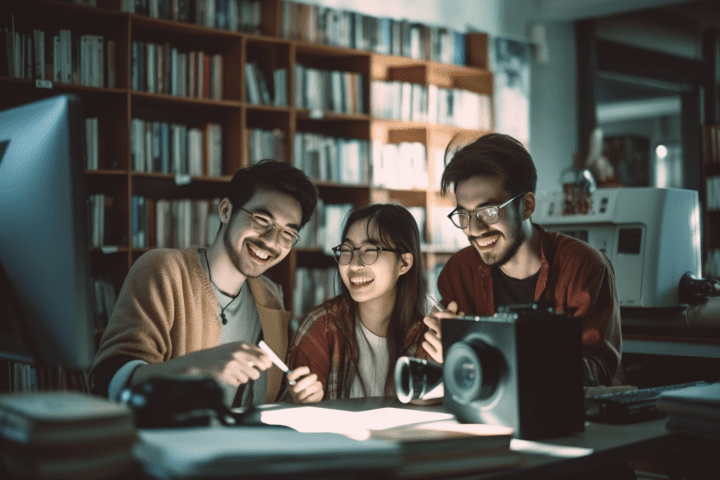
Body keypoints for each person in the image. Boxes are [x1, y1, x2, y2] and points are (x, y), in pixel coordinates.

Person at [89, 160, 321, 407]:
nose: (272, 242)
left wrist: (295, 396)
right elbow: (108, 381)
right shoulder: (163, 269)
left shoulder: (270, 297)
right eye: (262, 220)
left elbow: (262, 401)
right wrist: (197, 366)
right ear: (226, 211)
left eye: (287, 234)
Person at [422, 133, 622, 387]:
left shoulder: (584, 267)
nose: (474, 229)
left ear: (527, 205)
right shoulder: (460, 271)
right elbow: (434, 372)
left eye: (488, 212)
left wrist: (483, 358)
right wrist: (440, 351)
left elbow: (597, 370)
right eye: (464, 214)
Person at [285, 203, 430, 403]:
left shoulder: (428, 333)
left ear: (404, 263)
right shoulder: (322, 327)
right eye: (347, 250)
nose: (353, 264)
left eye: (370, 251)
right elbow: (293, 409)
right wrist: (299, 399)